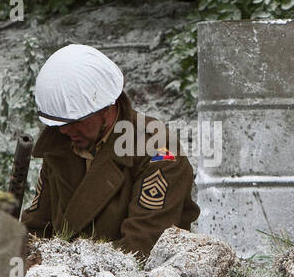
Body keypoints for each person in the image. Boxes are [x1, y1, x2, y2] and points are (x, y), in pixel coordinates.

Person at [21, 43, 199, 259]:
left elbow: (143, 246)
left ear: (106, 108)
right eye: (59, 124)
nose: (66, 130)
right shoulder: (61, 146)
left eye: (76, 121)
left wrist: (65, 267)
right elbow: (37, 227)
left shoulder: (157, 149)